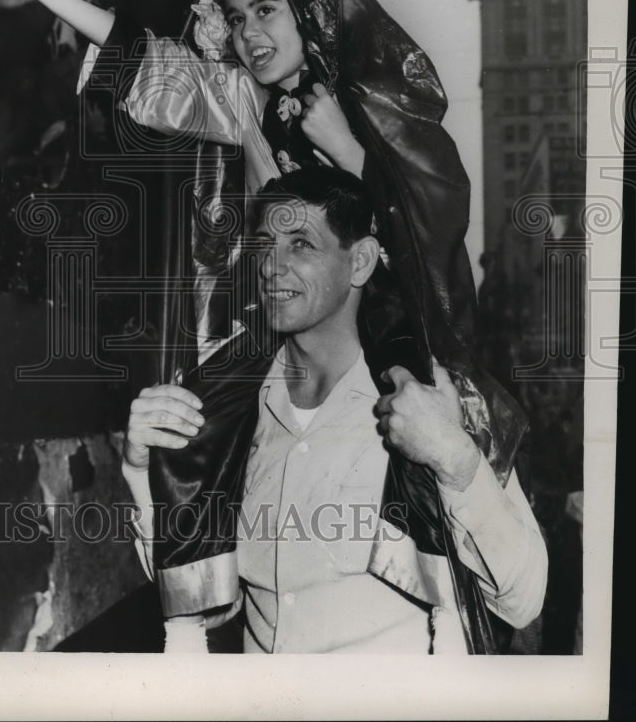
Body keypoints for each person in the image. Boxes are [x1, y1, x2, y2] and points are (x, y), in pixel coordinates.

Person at [0, 0, 528, 650]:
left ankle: (443, 611)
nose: (251, 34)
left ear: (309, 14)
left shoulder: (369, 102)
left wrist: (345, 147)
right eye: (237, 18)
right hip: (280, 331)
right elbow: (143, 60)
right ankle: (190, 623)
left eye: (267, 12)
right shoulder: (240, 101)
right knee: (194, 421)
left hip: (388, 319)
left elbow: (435, 219)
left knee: (414, 429)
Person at [122, 168, 547, 653]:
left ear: (360, 261)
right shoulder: (229, 406)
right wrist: (141, 470)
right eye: (264, 244)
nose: (271, 267)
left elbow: (522, 601)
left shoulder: (433, 398)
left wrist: (455, 459)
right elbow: (201, 598)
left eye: (301, 244)